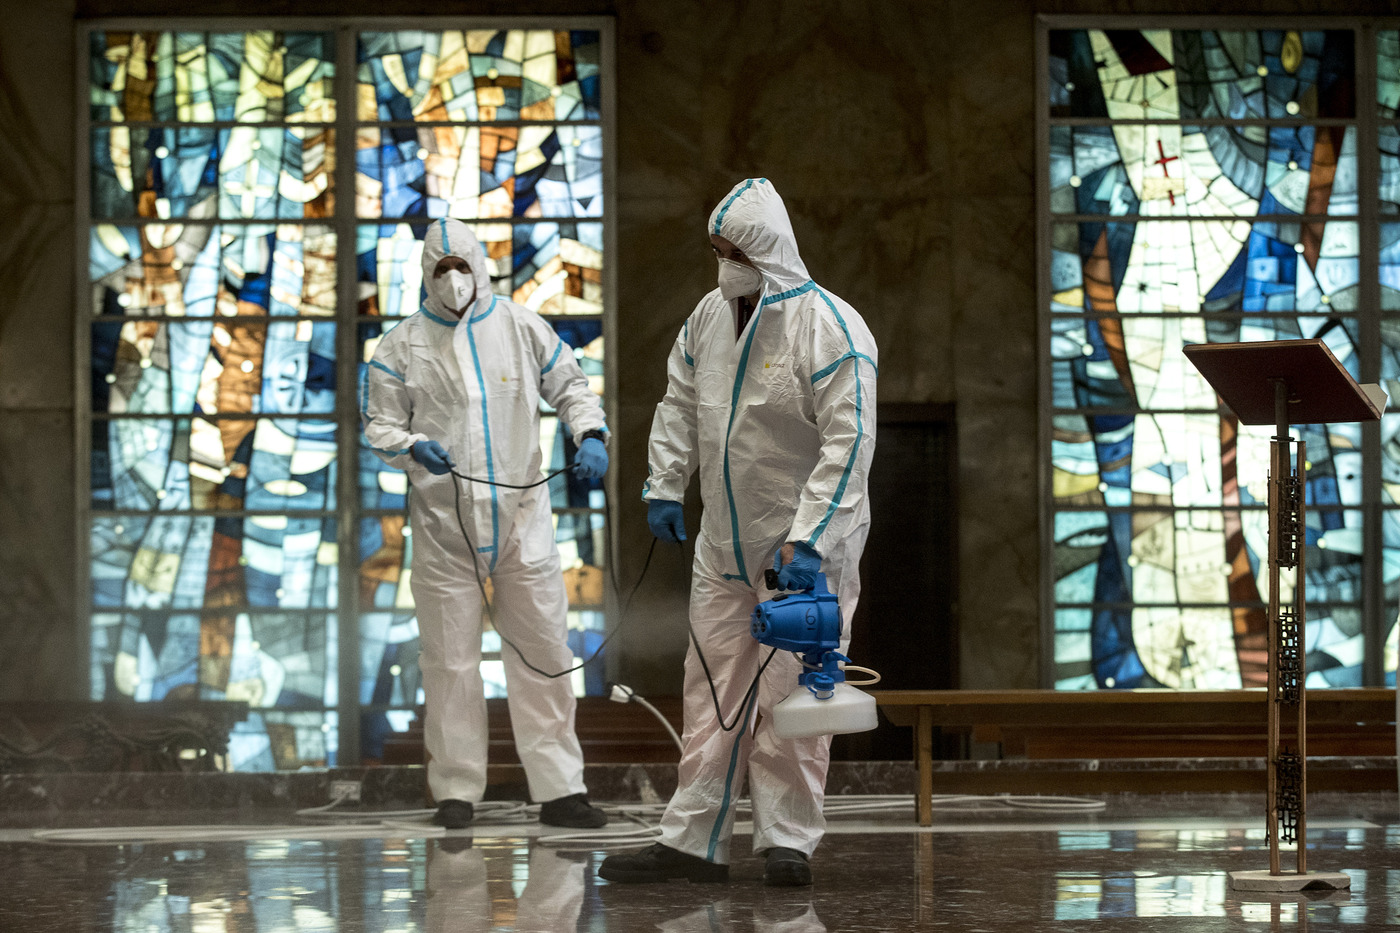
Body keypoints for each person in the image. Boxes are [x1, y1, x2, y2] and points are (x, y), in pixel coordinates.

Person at [599, 179, 877, 886]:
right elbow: (679, 398)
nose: (722, 265)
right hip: (722, 545)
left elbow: (849, 443)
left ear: (767, 249)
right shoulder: (706, 317)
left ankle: (786, 837)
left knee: (791, 697)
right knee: (710, 691)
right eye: (715, 252)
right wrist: (665, 480)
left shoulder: (832, 327)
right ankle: (693, 839)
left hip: (803, 554)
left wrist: (810, 539)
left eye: (733, 252)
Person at [362, 218, 610, 830]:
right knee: (448, 661)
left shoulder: (522, 327)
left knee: (544, 651)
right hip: (445, 530)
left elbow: (572, 387)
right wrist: (412, 445)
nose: (453, 280)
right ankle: (455, 790)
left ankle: (559, 789)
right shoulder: (400, 346)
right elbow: (380, 427)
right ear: (426, 274)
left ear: (482, 266)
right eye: (441, 269)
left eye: (462, 266)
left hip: (524, 521)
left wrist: (592, 433)